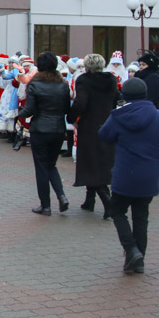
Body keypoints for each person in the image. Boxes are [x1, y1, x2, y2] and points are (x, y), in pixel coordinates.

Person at [98, 78, 159, 274]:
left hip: (124, 174)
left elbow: (104, 135)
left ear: (124, 95)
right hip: (148, 176)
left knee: (117, 212)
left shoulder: (118, 116)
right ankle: (139, 259)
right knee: (141, 218)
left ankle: (131, 250)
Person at [19, 51, 71, 216]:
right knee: (51, 165)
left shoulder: (35, 84)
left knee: (41, 167)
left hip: (40, 129)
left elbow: (30, 110)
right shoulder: (63, 85)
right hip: (57, 128)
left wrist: (20, 113)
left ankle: (45, 205)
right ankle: (61, 196)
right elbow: (66, 109)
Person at [67, 53, 119, 219]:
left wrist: (71, 117)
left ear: (87, 66)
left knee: (91, 163)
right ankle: (89, 200)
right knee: (100, 162)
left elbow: (81, 102)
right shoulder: (111, 80)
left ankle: (108, 202)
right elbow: (116, 100)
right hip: (108, 124)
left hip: (89, 126)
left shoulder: (84, 80)